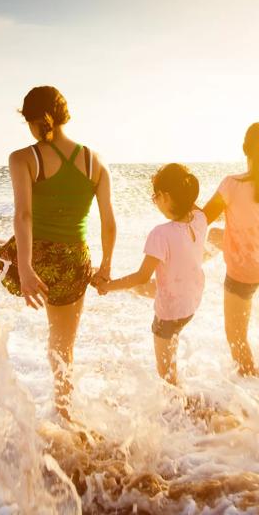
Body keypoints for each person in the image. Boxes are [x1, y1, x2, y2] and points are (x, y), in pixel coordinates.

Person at [0, 85, 116, 419]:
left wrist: (25, 268)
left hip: (36, 256)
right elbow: (109, 222)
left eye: (28, 121)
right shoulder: (95, 161)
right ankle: (65, 412)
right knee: (62, 345)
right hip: (75, 261)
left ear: (40, 120)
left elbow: (24, 215)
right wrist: (105, 266)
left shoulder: (24, 158)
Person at [96, 164, 206, 385]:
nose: (154, 201)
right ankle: (182, 404)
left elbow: (141, 276)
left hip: (168, 314)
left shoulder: (160, 234)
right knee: (171, 351)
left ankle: (180, 413)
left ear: (165, 196)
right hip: (190, 305)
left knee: (165, 374)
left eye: (155, 196)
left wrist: (107, 286)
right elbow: (190, 204)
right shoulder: (199, 218)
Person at [202, 123, 259, 376]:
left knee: (236, 337)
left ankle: (252, 380)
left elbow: (202, 218)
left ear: (244, 150)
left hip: (242, 272)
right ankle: (197, 263)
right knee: (217, 236)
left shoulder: (231, 184)